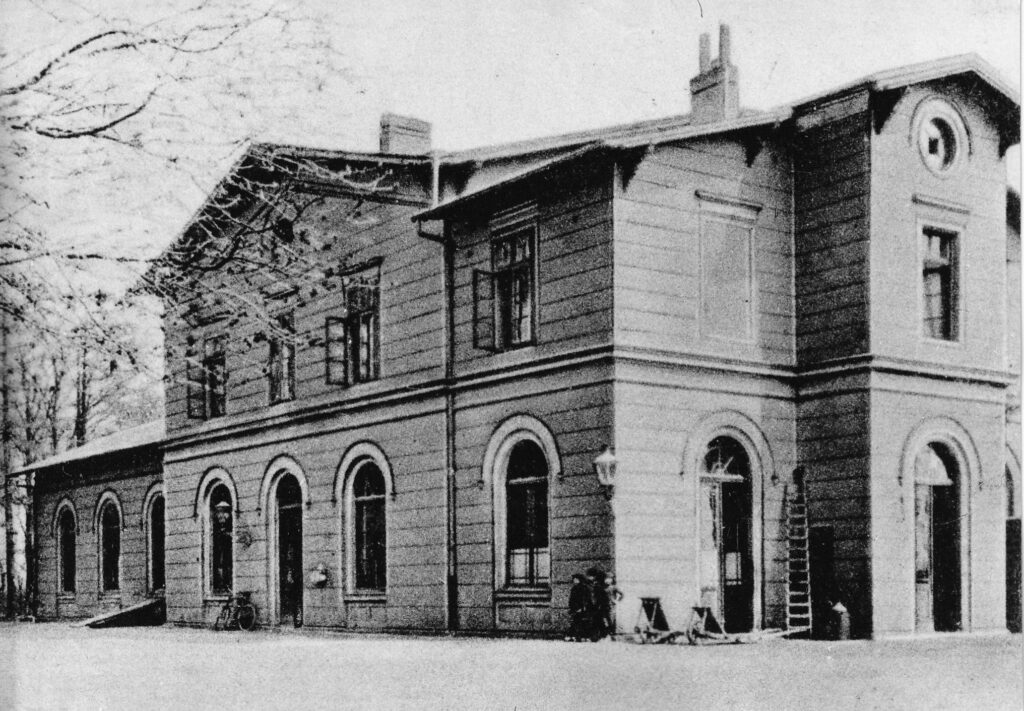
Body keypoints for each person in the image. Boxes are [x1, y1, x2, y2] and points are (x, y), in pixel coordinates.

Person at [587, 567, 611, 641]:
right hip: (599, 606)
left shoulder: (598, 586)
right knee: (598, 621)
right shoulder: (598, 585)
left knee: (600, 621)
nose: (589, 577)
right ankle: (600, 636)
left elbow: (600, 597)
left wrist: (598, 606)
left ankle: (603, 635)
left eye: (590, 576)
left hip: (600, 606)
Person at [567, 573, 591, 642]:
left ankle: (584, 637)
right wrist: (572, 607)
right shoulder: (574, 588)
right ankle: (575, 636)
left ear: (580, 580)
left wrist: (583, 608)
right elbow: (571, 599)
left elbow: (586, 599)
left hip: (582, 609)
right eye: (574, 579)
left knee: (583, 623)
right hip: (575, 608)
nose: (574, 581)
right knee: (575, 622)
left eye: (576, 579)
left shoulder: (584, 588)